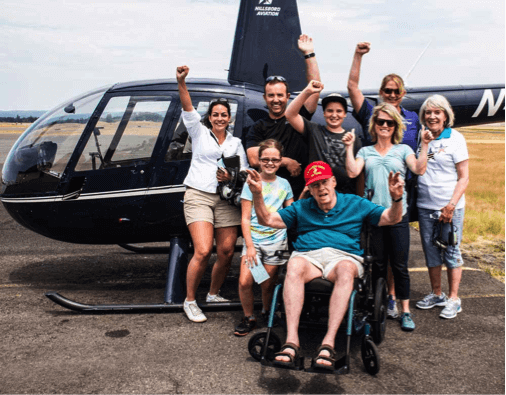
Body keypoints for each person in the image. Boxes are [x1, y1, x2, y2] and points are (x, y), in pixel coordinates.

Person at [245, 161, 404, 370]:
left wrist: (397, 198)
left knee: (346, 270)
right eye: (315, 185)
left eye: (324, 182)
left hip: (344, 256)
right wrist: (257, 194)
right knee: (293, 267)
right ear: (309, 189)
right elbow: (267, 220)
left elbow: (391, 218)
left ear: (334, 181)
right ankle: (291, 342)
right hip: (308, 256)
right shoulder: (301, 207)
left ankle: (328, 344)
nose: (321, 189)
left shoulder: (355, 203)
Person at [343, 103, 433, 331]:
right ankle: (380, 306)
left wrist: (425, 145)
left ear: (395, 126)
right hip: (374, 216)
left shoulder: (403, 150)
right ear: (374, 125)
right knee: (378, 265)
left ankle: (405, 311)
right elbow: (353, 171)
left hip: (397, 215)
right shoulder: (365, 151)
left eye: (389, 122)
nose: (384, 126)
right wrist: (348, 147)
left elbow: (419, 169)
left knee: (400, 266)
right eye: (380, 121)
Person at [176, 65, 249, 323]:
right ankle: (190, 300)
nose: (219, 118)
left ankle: (214, 293)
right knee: (204, 249)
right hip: (199, 195)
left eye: (224, 115)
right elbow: (187, 106)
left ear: (229, 118)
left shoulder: (235, 143)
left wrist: (231, 177)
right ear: (210, 117)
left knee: (227, 250)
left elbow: (243, 172)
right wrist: (181, 82)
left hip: (226, 198)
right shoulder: (199, 132)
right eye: (215, 114)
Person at [244, 34, 321, 200]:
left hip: (300, 193)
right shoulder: (258, 127)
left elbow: (315, 88)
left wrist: (309, 54)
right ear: (265, 98)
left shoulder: (299, 117)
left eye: (280, 95)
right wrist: (286, 161)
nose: (276, 100)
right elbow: (253, 158)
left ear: (287, 97)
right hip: (271, 197)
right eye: (271, 95)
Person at [415, 95, 469, 319]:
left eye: (437, 112)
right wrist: (425, 143)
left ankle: (454, 298)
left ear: (446, 115)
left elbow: (464, 177)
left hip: (450, 206)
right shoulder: (422, 137)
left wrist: (451, 204)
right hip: (425, 205)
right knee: (431, 251)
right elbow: (419, 168)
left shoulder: (456, 139)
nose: (432, 116)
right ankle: (437, 293)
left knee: (451, 251)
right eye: (428, 112)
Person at [234, 139, 294, 336]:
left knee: (267, 283)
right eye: (265, 159)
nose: (270, 163)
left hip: (277, 241)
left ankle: (267, 312)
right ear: (258, 161)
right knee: (245, 281)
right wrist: (249, 246)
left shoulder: (284, 184)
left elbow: (291, 213)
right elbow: (244, 218)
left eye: (275, 160)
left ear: (280, 161)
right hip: (255, 242)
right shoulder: (251, 183)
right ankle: (249, 316)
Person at [285, 80, 362, 196]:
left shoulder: (353, 138)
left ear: (345, 114)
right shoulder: (314, 130)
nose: (334, 115)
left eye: (339, 111)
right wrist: (307, 91)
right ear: (324, 113)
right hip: (317, 193)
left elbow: (357, 174)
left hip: (344, 197)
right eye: (330, 111)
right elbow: (290, 114)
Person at [347, 42, 420, 151]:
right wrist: (358, 55)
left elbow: (424, 151)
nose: (392, 95)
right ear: (381, 92)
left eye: (397, 91)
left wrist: (429, 160)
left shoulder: (413, 117)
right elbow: (352, 86)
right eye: (388, 91)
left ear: (403, 93)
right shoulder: (369, 113)